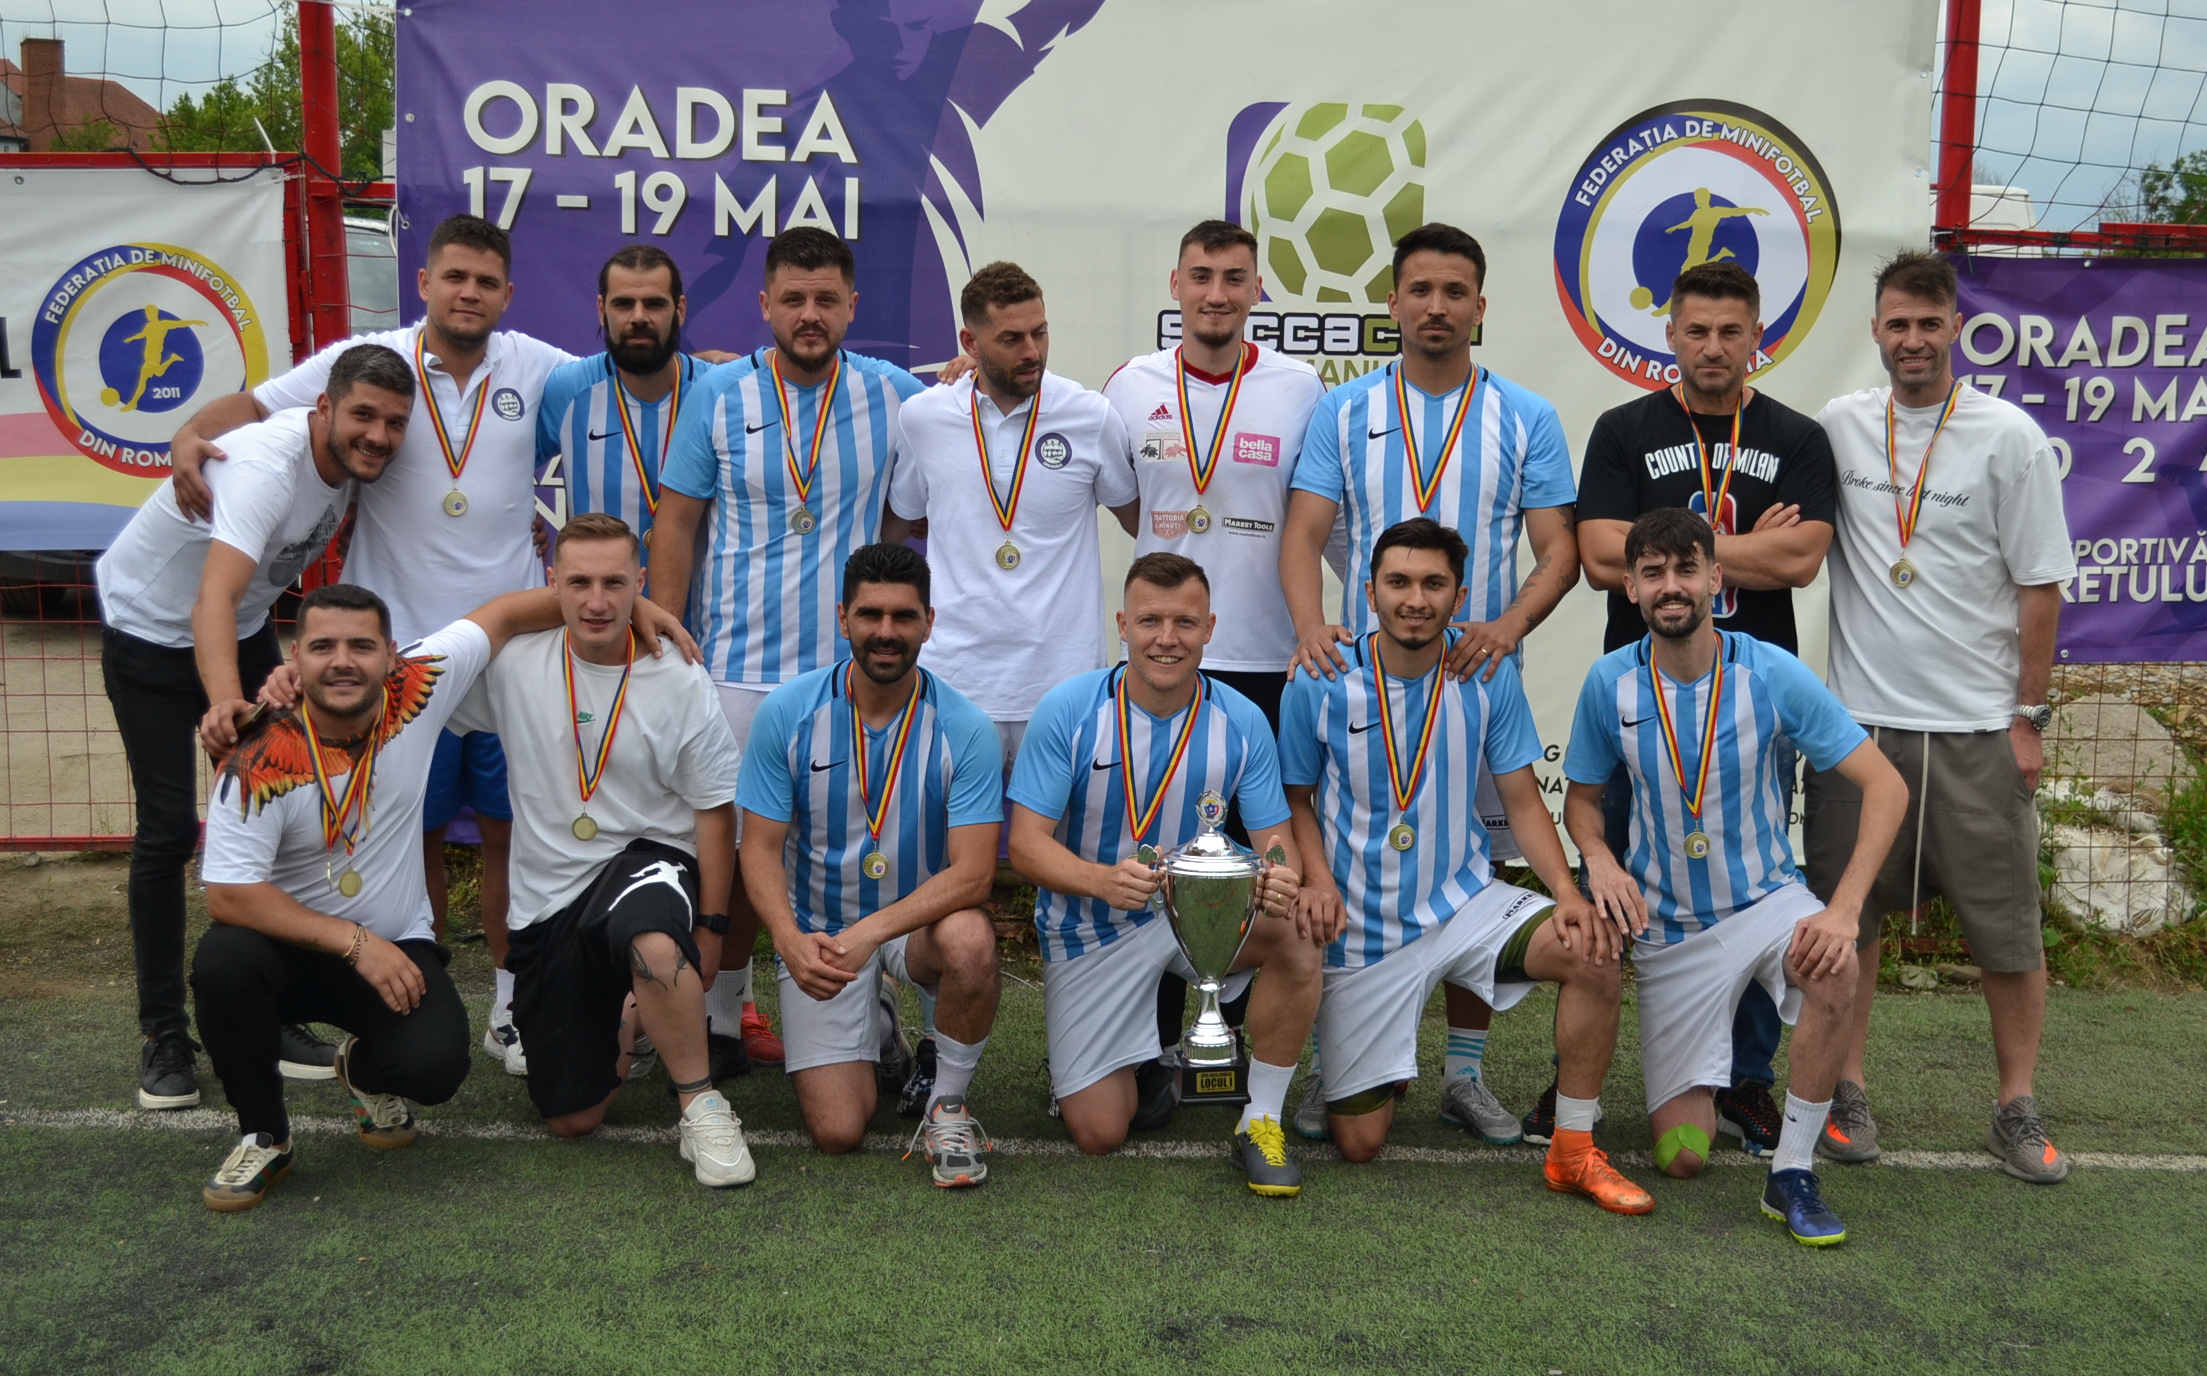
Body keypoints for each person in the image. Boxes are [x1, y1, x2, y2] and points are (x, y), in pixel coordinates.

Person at [168, 214, 577, 1083]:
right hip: (394, 665)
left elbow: (630, 379)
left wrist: (715, 366)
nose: (468, 293)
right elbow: (253, 405)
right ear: (423, 283)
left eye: (486, 282)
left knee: (511, 837)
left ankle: (509, 1006)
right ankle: (406, 990)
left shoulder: (539, 365)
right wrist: (186, 434)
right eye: (454, 277)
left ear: (508, 294)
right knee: (404, 837)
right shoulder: (372, 361)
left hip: (500, 655)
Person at [1279, 222, 1580, 1141]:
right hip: (1369, 681)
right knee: (1348, 866)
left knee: (1475, 871)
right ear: (1392, 303)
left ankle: (1463, 1073)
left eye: (1454, 292)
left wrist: (1506, 628)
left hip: (1474, 684)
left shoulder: (1524, 415)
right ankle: (1338, 1057)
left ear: (1479, 307)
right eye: (1420, 290)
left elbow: (1559, 549)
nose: (1436, 307)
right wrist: (1311, 628)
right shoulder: (1342, 410)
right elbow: (1303, 533)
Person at [1281, 519, 1651, 1213]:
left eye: (1433, 584)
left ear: (1458, 596)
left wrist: (1566, 891)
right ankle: (1354, 1063)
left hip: (1463, 903)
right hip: (1363, 926)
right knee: (1358, 1144)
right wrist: (1318, 881)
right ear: (1369, 591)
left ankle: (1573, 1149)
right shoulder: (1321, 676)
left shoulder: (1485, 672)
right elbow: (1294, 798)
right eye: (1398, 582)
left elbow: (1522, 799)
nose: (1414, 599)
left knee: (1593, 949)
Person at [1805, 250, 2078, 1183]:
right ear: (1875, 330)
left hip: (1975, 729)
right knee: (1851, 924)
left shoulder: (2009, 436)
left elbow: (2039, 586)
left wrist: (2026, 716)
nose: (1912, 340)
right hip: (1859, 730)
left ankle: (2015, 1105)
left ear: (1956, 327)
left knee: (2006, 931)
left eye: (1929, 323)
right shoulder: (1840, 425)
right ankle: (1845, 1090)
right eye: (1897, 323)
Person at [1562, 508, 1907, 1246]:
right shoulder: (1608, 682)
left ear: (1715, 580)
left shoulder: (1769, 671)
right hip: (1669, 931)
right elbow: (1582, 803)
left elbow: (1886, 786)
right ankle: (1716, 1086)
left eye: (1686, 569)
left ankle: (1792, 1172)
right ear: (1630, 588)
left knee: (1835, 964)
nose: (1672, 586)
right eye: (1653, 573)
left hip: (1764, 902)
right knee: (1681, 1157)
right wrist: (1599, 859)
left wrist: (1842, 909)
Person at [96, 343, 414, 1110]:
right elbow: (210, 596)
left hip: (239, 629)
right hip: (149, 629)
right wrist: (224, 705)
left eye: (393, 423)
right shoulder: (267, 469)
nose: (377, 435)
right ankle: (164, 1034)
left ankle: (263, 1013)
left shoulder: (352, 460)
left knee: (267, 813)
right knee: (170, 829)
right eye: (362, 416)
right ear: (323, 409)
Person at [1568, 259, 1839, 1155]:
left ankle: (1746, 1082)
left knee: (1750, 887)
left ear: (1757, 335)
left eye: (1730, 331)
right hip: (1639, 693)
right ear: (1670, 335)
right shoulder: (1624, 429)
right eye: (1696, 330)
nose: (1712, 346)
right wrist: (1741, 545)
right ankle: (1578, 1078)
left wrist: (1682, 549)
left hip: (1749, 700)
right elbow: (1600, 554)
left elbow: (1802, 559)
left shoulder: (1794, 435)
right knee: (1611, 880)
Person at [651, 227, 930, 1081]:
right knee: (732, 855)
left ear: (852, 306)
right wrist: (663, 639)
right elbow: (677, 521)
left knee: (852, 849)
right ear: (765, 303)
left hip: (849, 680)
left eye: (826, 299)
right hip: (734, 671)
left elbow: (914, 508)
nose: (810, 314)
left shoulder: (896, 396)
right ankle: (720, 1015)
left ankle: (867, 1007)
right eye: (794, 299)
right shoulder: (717, 394)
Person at [191, 581, 565, 1210]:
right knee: (222, 962)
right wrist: (354, 942)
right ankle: (264, 1134)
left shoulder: (418, 686)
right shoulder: (255, 753)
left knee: (436, 1069)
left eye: (361, 646)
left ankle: (361, 1072)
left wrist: (639, 605)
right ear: (295, 657)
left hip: (396, 947)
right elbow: (228, 895)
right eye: (323, 647)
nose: (343, 661)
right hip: (286, 953)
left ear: (393, 655)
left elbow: (505, 614)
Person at [444, 512, 751, 1186]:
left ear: (640, 583)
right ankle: (634, 1015)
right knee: (572, 1119)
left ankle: (701, 1104)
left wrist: (711, 925)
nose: (596, 601)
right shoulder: (513, 663)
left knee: (655, 943)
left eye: (615, 584)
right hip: (549, 901)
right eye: (578, 582)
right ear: (551, 583)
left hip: (649, 860)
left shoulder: (678, 675)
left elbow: (712, 810)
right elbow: (423, 676)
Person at [1101, 221, 1329, 1117]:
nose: (1216, 294)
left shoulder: (1299, 387)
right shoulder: (1129, 384)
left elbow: (1310, 513)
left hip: (1264, 657)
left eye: (1235, 278)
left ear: (1256, 289)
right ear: (1175, 284)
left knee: (1247, 864)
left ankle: (1229, 1036)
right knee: (1160, 849)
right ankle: (1155, 1042)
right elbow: (1131, 508)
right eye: (1201, 276)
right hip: (1167, 655)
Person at [1008, 554, 1317, 1196]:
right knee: (1101, 1132)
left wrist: (1282, 877)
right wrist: (1100, 881)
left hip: (1196, 917)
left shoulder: (1242, 719)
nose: (1167, 638)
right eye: (1150, 621)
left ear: (1210, 628)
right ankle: (1139, 1066)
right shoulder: (1068, 710)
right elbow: (1025, 846)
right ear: (1123, 625)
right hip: (1090, 930)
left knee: (1299, 931)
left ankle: (1259, 1121)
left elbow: (1276, 845)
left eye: (1185, 622)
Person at [737, 544, 1004, 1187]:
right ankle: (881, 1029)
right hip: (822, 933)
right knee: (838, 1132)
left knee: (972, 940)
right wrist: (788, 939)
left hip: (914, 930)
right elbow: (759, 848)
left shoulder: (966, 727)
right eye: (870, 614)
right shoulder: (787, 713)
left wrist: (872, 933)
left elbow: (974, 874)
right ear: (843, 618)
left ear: (929, 622)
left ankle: (946, 1106)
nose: (886, 631)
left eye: (904, 616)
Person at [538, 245, 717, 562]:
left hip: (700, 594)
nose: (638, 317)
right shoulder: (568, 390)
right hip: (600, 592)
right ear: (601, 309)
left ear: (680, 310)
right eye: (623, 304)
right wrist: (515, 517)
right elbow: (502, 461)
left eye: (654, 304)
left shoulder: (717, 392)